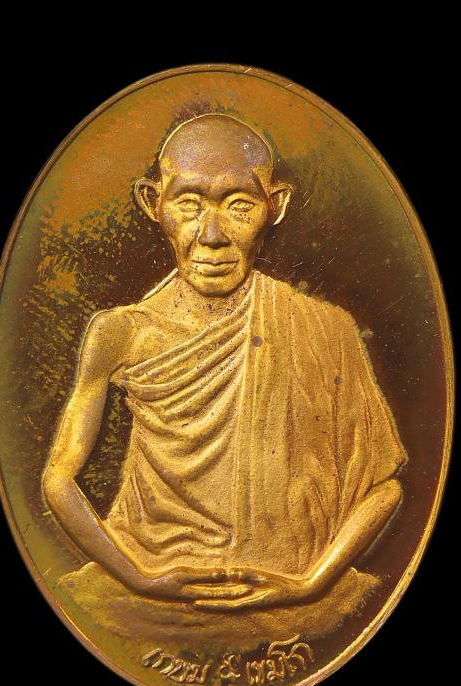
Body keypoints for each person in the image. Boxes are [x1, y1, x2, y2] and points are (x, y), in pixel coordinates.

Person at [42, 113, 407, 614]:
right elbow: (58, 478)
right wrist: (140, 578)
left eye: (239, 206)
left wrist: (310, 584)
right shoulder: (120, 333)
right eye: (188, 204)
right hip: (144, 591)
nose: (211, 235)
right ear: (153, 203)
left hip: (290, 597)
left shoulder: (327, 329)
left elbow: (384, 489)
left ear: (275, 207)